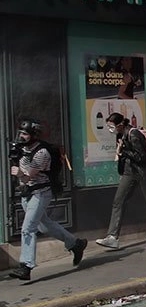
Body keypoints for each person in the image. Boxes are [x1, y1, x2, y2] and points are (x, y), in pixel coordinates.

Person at [8, 120, 87, 280]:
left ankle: (26, 266)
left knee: (28, 228)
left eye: (25, 134)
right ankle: (75, 244)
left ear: (33, 135)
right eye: (20, 133)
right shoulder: (23, 149)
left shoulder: (42, 153)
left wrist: (19, 174)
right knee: (44, 226)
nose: (21, 137)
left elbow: (29, 175)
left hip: (40, 194)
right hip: (26, 193)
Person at [95, 112, 146, 249]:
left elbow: (141, 157)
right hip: (129, 172)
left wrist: (123, 151)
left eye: (111, 126)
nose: (110, 129)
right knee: (118, 201)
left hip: (144, 172)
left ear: (120, 124)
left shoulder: (133, 134)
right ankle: (112, 237)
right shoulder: (121, 135)